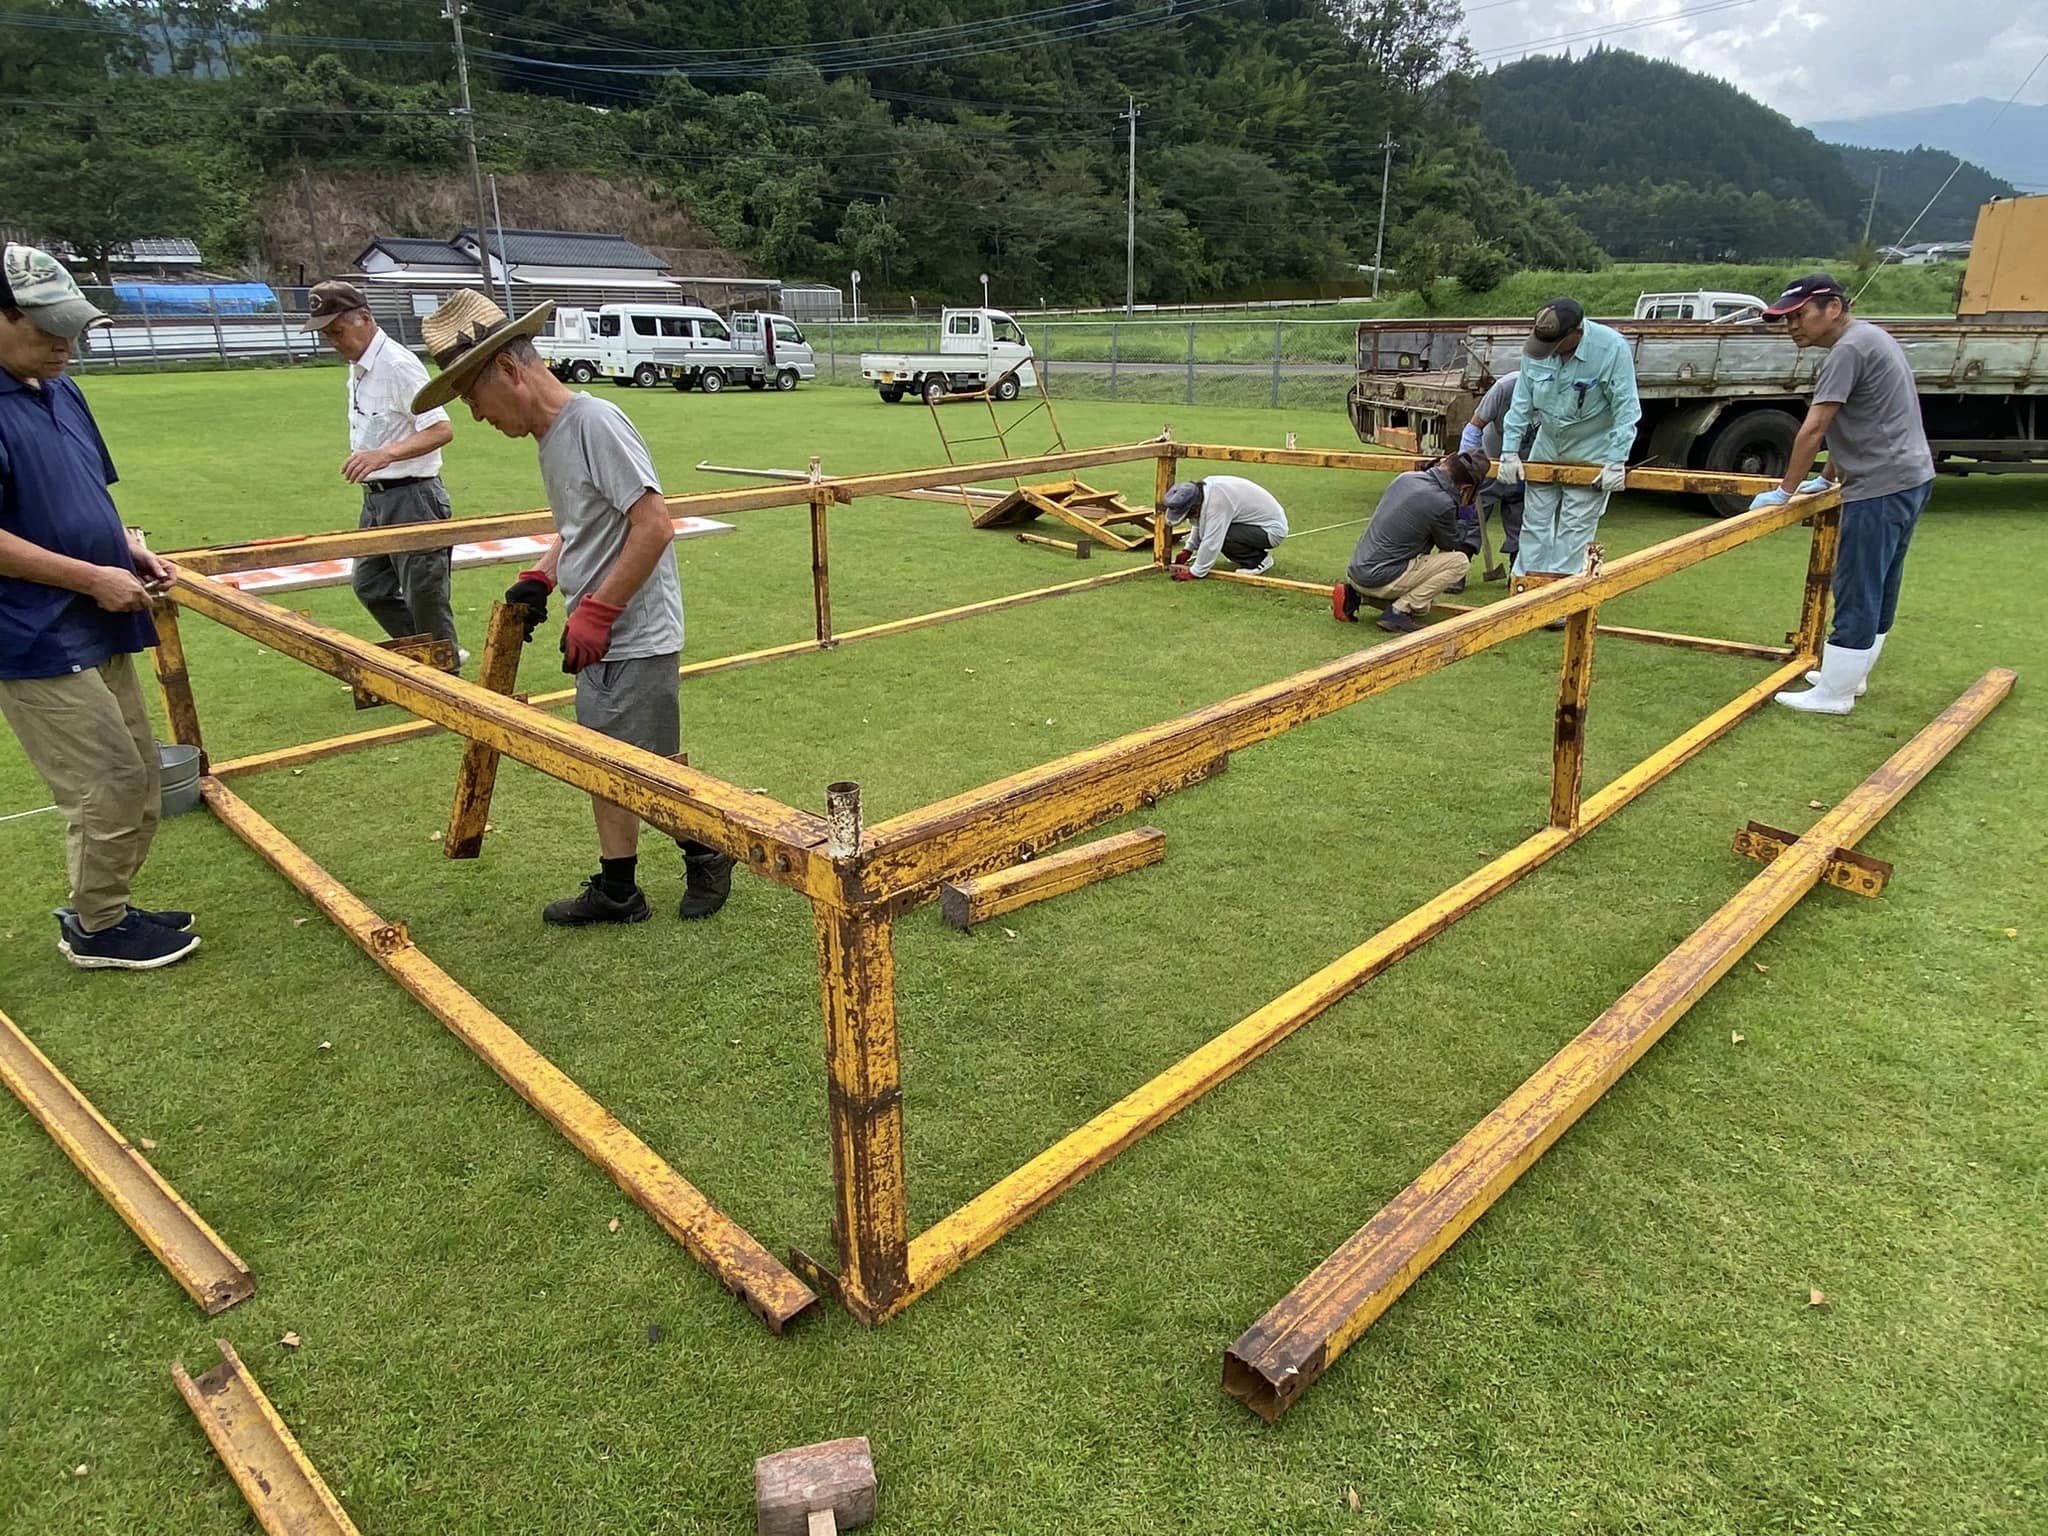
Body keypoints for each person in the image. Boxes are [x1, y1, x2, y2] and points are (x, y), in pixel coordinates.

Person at [412, 290, 733, 926]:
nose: (475, 416)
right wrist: (543, 574)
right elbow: (586, 523)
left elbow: (653, 525)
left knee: (640, 765)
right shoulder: (553, 435)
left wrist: (600, 612)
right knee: (608, 755)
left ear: (508, 370)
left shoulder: (595, 423)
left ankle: (707, 848)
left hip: (634, 631)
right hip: (605, 630)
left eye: (473, 397)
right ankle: (621, 886)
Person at [0, 243, 198, 969]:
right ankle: (97, 925)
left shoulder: (61, 390)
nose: (64, 345)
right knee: (107, 780)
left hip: (102, 614)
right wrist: (89, 576)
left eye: (72, 328)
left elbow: (89, 495)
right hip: (31, 633)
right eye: (46, 329)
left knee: (140, 774)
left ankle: (106, 907)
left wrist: (128, 546)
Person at [1750, 273, 1934, 715]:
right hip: (1909, 476)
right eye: (1786, 319)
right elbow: (1856, 420)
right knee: (1883, 580)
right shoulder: (1869, 337)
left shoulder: (1848, 350)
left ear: (1832, 308)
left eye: (1799, 316)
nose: (1792, 326)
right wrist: (1828, 476)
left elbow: (1815, 428)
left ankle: (1834, 693)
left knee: (1858, 583)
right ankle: (1851, 674)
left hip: (1880, 485)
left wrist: (1784, 490)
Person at [306, 279, 464, 667]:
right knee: (370, 585)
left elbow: (441, 428)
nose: (333, 341)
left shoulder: (396, 365)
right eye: (326, 334)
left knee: (424, 594)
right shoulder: (359, 366)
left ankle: (448, 676)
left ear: (364, 318)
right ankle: (433, 656)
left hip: (413, 496)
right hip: (377, 498)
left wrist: (385, 454)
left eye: (337, 331)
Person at [1494, 298, 1641, 584]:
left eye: (1556, 344)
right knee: (1534, 523)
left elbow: (1626, 409)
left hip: (1591, 446)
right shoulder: (1538, 349)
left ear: (1577, 333)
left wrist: (1616, 460)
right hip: (1547, 443)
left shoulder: (1610, 349)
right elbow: (1521, 402)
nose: (1549, 352)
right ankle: (1525, 587)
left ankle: (1560, 595)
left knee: (1575, 527)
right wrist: (1509, 452)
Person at [1331, 449, 1486, 632]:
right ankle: (1398, 612)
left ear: (1446, 462)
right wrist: (1463, 515)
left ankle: (1354, 596)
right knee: (1459, 562)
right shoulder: (1443, 502)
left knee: (1424, 604)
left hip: (1357, 572)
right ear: (1466, 486)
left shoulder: (1405, 478)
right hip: (1382, 577)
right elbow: (1450, 544)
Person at [1459, 369, 1535, 568]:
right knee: (1471, 516)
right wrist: (1469, 467)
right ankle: (1457, 569)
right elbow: (1474, 427)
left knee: (1521, 518)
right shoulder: (1505, 387)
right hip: (1491, 462)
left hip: (1526, 466)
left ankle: (1517, 572)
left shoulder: (1556, 391)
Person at [1163, 476, 1289, 580]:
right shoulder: (1205, 493)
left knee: (1225, 536)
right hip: (1253, 526)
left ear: (1194, 506)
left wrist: (1195, 572)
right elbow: (1201, 522)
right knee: (1223, 534)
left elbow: (1212, 540)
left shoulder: (1217, 501)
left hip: (1271, 531)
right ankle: (1245, 555)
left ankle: (1258, 561)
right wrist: (1188, 549)